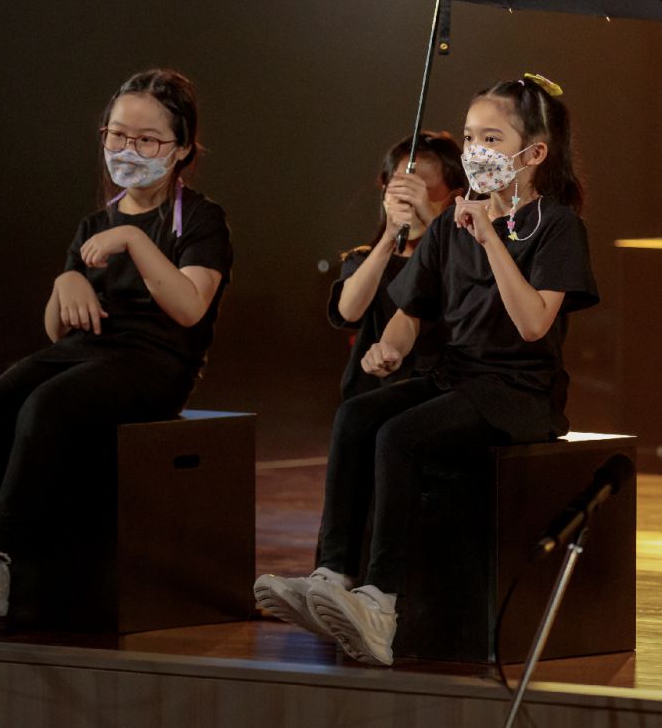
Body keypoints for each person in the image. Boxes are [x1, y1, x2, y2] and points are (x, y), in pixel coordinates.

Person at [255, 73, 597, 666]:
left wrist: (490, 238)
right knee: (358, 416)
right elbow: (411, 311)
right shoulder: (448, 227)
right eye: (470, 137)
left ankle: (381, 602)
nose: (476, 151)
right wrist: (388, 347)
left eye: (492, 139)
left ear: (534, 154)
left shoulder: (557, 226)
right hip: (457, 377)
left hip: (520, 392)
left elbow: (533, 323)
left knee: (400, 435)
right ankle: (332, 575)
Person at [0, 69, 233, 629]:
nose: (128, 150)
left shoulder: (199, 219)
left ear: (182, 147)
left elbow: (191, 307)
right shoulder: (94, 223)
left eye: (147, 140)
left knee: (46, 407)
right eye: (117, 135)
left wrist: (134, 239)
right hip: (84, 353)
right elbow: (57, 331)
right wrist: (64, 282)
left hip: (154, 363)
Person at [328, 132, 466, 400]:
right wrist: (388, 239)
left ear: (454, 196)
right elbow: (349, 311)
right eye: (400, 189)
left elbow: (463, 274)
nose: (410, 201)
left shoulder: (462, 258)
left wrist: (431, 218)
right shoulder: (364, 259)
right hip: (373, 395)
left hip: (440, 394)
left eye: (422, 191)